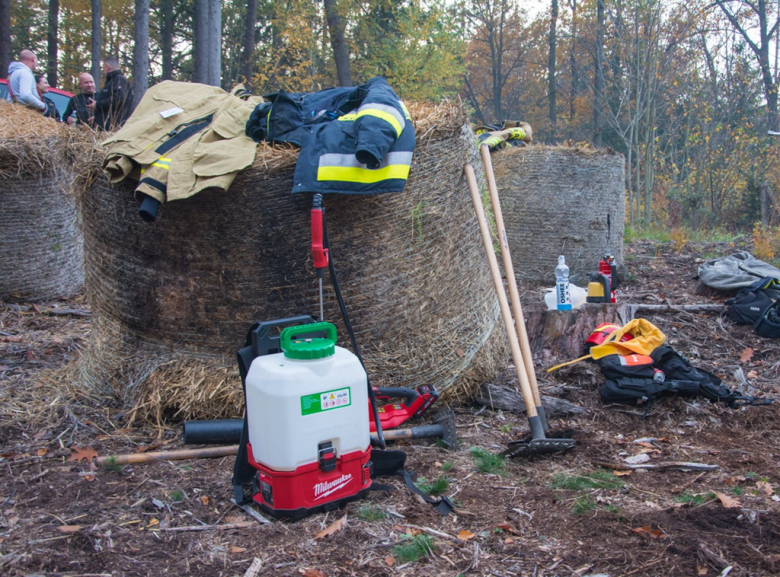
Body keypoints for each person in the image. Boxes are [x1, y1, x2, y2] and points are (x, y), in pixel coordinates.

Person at [87, 56, 134, 130]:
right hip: (108, 126)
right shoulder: (112, 81)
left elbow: (118, 99)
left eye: (103, 68)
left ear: (107, 66)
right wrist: (97, 119)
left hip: (114, 127)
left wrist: (97, 105)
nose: (103, 71)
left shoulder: (119, 80)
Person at [5, 50, 49, 115]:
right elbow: (25, 95)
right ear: (33, 59)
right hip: (23, 113)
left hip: (14, 111)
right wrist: (43, 106)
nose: (37, 64)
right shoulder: (25, 73)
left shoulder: (14, 72)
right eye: (37, 61)